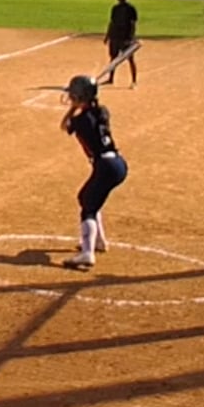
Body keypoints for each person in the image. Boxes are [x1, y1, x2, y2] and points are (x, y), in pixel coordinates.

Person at [61, 75, 125, 269]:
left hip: (105, 166)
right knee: (88, 198)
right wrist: (82, 102)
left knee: (88, 206)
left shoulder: (80, 120)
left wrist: (73, 107)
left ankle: (87, 254)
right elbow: (91, 112)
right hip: (117, 163)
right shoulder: (101, 112)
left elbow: (65, 125)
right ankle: (99, 242)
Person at [101, 0, 139, 89]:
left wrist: (131, 37)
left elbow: (133, 24)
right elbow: (111, 23)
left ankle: (134, 81)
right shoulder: (115, 8)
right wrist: (107, 36)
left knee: (130, 59)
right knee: (113, 58)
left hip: (125, 37)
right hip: (115, 36)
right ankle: (110, 79)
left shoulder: (131, 8)